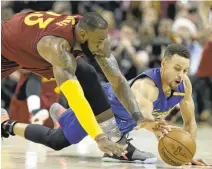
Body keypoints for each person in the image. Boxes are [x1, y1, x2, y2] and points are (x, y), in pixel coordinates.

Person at [3, 44, 210, 165]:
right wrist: (157, 127)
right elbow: (143, 119)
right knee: (57, 141)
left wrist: (187, 155)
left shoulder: (185, 85)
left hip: (118, 124)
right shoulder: (146, 87)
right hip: (100, 108)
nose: (181, 75)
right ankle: (6, 124)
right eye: (177, 68)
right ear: (164, 64)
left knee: (119, 148)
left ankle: (65, 115)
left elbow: (190, 122)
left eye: (185, 70)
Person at [1, 11, 148, 156]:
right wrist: (99, 137)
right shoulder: (58, 48)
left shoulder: (95, 35)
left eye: (104, 40)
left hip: (28, 41)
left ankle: (117, 140)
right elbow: (76, 98)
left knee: (88, 74)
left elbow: (118, 80)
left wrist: (139, 117)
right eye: (98, 42)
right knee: (78, 75)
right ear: (83, 35)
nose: (101, 46)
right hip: (6, 44)